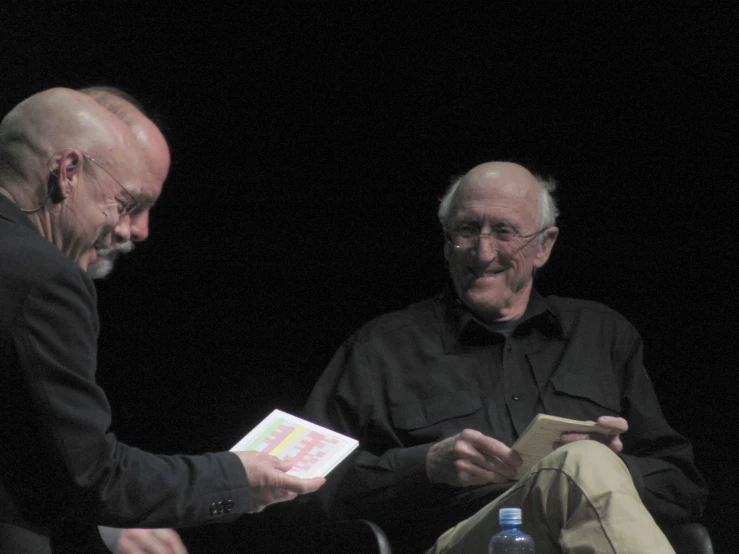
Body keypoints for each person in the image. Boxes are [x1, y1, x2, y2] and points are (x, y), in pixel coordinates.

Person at [303, 161, 708, 553]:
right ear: (446, 243)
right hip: (458, 542)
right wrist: (424, 467)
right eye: (466, 230)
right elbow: (301, 486)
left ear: (543, 246)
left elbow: (683, 486)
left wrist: (608, 471)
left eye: (503, 231)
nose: (482, 253)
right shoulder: (382, 347)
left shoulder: (603, 334)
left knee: (585, 461)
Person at [0, 88, 324, 553]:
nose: (127, 227)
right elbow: (89, 477)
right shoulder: (47, 279)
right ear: (68, 172)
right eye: (122, 202)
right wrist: (235, 479)